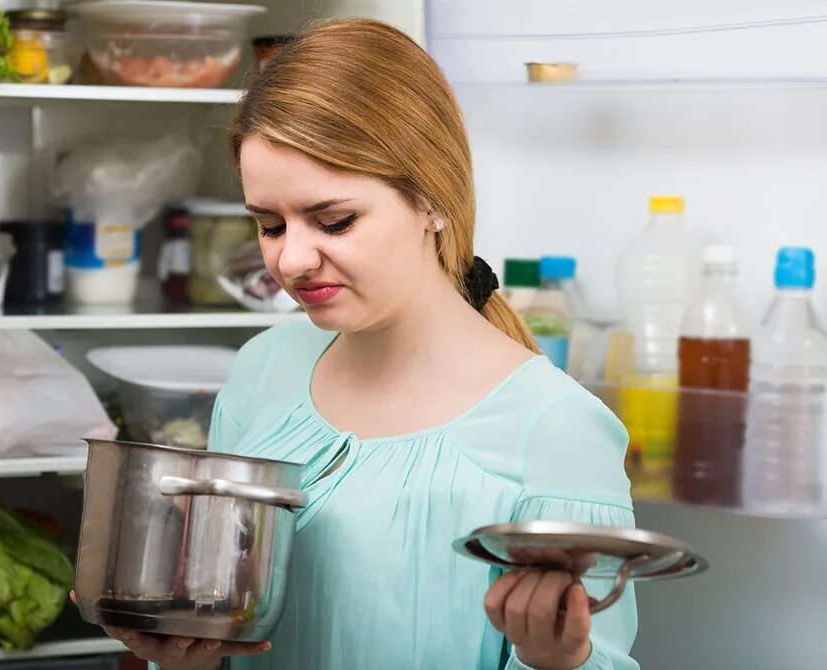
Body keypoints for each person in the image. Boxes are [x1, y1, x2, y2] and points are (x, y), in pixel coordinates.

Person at [99, 18, 638, 670]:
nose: (291, 259)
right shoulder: (262, 371)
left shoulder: (558, 430)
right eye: (270, 224)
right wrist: (185, 659)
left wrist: (560, 661)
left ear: (432, 199)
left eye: (334, 220)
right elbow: (219, 628)